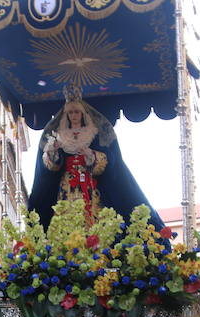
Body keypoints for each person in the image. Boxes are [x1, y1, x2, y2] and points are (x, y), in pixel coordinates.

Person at [27, 85, 165, 231]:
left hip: (90, 185)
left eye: (77, 112)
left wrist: (91, 155)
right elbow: (49, 169)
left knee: (93, 216)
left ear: (82, 114)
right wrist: (52, 153)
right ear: (66, 115)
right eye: (71, 112)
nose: (74, 115)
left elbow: (111, 162)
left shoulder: (94, 134)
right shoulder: (59, 136)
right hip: (67, 186)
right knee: (66, 218)